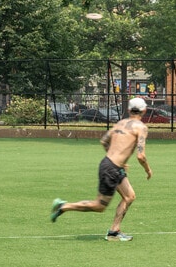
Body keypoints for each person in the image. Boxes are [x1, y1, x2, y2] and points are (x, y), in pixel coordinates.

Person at [50, 97, 153, 242]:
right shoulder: (141, 127)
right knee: (99, 206)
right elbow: (141, 156)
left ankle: (114, 232)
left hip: (111, 165)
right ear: (144, 110)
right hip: (111, 168)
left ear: (129, 110)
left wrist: (116, 158)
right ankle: (63, 206)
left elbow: (104, 141)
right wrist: (148, 170)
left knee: (129, 196)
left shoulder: (120, 123)